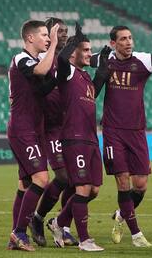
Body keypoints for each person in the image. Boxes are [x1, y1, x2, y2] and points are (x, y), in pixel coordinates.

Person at [90, 18, 152, 247]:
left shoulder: (143, 60)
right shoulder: (104, 60)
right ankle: (136, 235)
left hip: (137, 131)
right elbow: (75, 61)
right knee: (123, 182)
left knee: (140, 185)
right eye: (123, 39)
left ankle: (121, 214)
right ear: (113, 43)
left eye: (130, 38)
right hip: (113, 131)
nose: (128, 42)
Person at [47, 23, 107, 252]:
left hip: (91, 139)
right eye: (86, 50)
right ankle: (85, 240)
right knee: (82, 189)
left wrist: (103, 69)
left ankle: (58, 222)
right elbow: (61, 61)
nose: (89, 54)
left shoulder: (85, 78)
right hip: (74, 138)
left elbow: (97, 87)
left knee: (93, 191)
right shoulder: (68, 72)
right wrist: (74, 39)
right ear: (74, 53)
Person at [7, 20, 59, 251]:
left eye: (49, 36)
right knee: (41, 179)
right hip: (23, 128)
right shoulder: (21, 59)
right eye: (44, 35)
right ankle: (19, 232)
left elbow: (46, 86)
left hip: (35, 129)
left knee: (25, 182)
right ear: (30, 38)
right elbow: (41, 70)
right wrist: (55, 45)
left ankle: (14, 236)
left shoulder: (36, 61)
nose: (48, 38)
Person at [28, 17, 78, 247]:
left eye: (66, 31)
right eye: (59, 31)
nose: (64, 34)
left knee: (76, 180)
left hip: (70, 126)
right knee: (64, 176)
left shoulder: (68, 58)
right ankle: (36, 219)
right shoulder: (40, 59)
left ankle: (62, 226)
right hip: (49, 128)